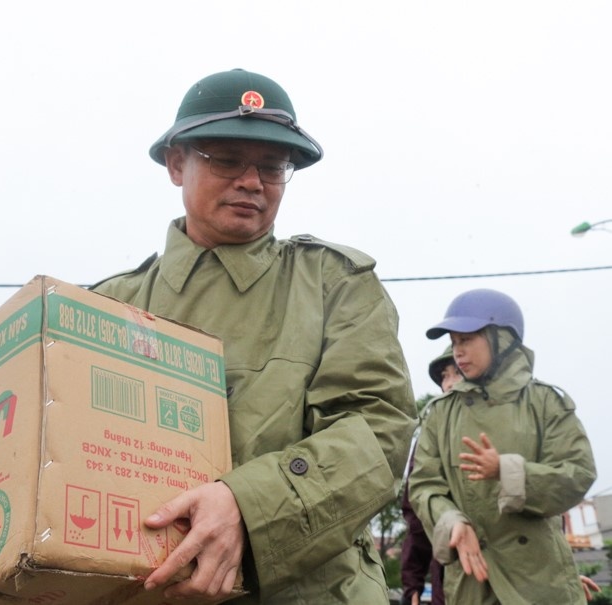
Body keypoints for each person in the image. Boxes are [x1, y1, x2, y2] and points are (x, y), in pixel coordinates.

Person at [91, 68, 417, 603]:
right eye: (226, 160)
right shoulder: (107, 306)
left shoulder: (333, 283)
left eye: (272, 166)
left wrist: (247, 504)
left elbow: (378, 433)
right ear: (177, 164)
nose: (252, 181)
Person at [409, 288, 596, 604]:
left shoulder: (546, 403)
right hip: (470, 583)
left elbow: (578, 474)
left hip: (539, 582)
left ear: (502, 338)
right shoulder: (440, 413)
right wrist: (452, 520)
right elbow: (423, 488)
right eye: (454, 342)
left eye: (466, 340)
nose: (458, 352)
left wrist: (507, 472)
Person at [400, 346, 460, 605]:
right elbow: (416, 515)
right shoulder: (430, 435)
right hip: (449, 577)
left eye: (456, 373)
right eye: (444, 376)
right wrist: (412, 584)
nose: (448, 384)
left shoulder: (516, 420)